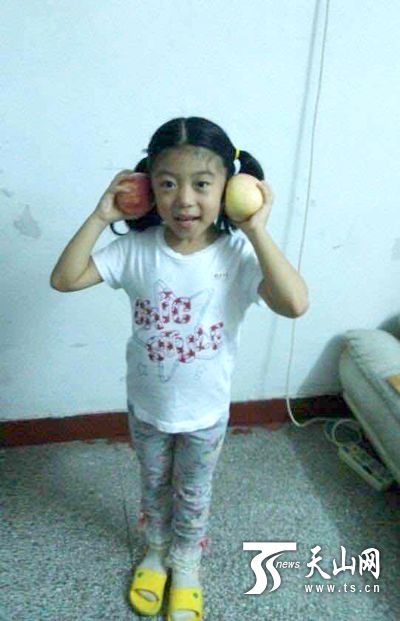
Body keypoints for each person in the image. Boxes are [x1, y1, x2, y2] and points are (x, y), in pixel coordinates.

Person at [50, 116, 309, 620]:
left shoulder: (238, 255)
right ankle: (155, 551)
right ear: (148, 187)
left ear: (229, 187)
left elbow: (295, 304)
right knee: (153, 485)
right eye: (168, 184)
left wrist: (255, 229)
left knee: (192, 492)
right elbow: (65, 278)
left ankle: (187, 562)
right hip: (148, 408)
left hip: (205, 413)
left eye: (202, 184)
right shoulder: (137, 250)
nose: (184, 200)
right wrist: (102, 215)